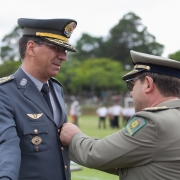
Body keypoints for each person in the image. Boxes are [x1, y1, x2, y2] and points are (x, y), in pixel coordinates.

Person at [60, 50, 180, 180]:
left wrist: (73, 137)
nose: (131, 94)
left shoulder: (154, 122)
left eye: (132, 85)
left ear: (148, 84)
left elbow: (95, 154)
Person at [0, 18, 77, 180]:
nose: (63, 57)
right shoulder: (5, 93)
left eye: (65, 51)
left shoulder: (56, 89)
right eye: (56, 48)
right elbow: (7, 145)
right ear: (31, 48)